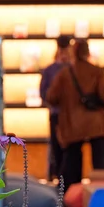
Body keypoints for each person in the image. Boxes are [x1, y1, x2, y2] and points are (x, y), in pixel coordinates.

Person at [45, 39, 104, 193]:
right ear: (88, 53)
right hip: (96, 124)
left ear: (73, 53)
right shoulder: (98, 72)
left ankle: (72, 198)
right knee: (99, 165)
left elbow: (51, 97)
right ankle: (99, 194)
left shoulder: (64, 74)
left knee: (73, 165)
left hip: (72, 125)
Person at [39, 35, 72, 181]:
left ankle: (64, 177)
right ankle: (58, 176)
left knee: (68, 148)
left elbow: (44, 93)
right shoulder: (54, 70)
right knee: (57, 147)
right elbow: (44, 93)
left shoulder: (67, 69)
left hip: (67, 115)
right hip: (60, 114)